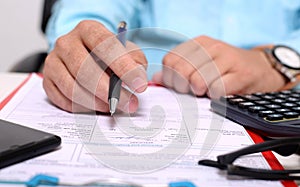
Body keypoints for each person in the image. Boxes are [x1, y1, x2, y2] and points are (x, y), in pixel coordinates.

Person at [43, 0, 300, 113]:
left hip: (281, 105)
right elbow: (91, 10)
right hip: (147, 97)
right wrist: (84, 48)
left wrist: (279, 63)